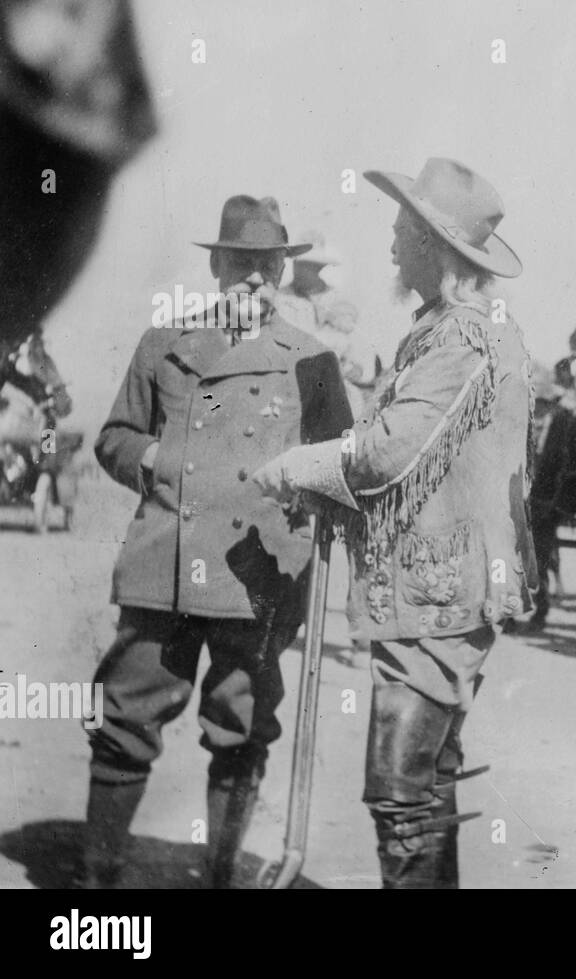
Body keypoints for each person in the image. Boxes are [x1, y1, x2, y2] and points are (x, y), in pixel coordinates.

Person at [253, 157, 536, 889]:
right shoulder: (447, 330)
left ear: (434, 249)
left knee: (401, 798)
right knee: (424, 792)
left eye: (401, 232)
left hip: (436, 602)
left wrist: (297, 468)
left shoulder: (463, 339)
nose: (389, 246)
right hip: (428, 600)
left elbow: (386, 453)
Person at [80, 195, 353, 888]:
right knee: (124, 718)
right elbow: (113, 436)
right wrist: (148, 460)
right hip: (163, 566)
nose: (256, 281)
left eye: (269, 267)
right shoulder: (163, 344)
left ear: (283, 273)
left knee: (241, 728)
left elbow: (341, 462)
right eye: (242, 265)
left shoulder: (313, 358)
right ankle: (97, 879)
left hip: (256, 575)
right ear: (216, 265)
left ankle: (223, 877)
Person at [276, 231, 381, 416]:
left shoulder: (339, 302)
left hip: (338, 389)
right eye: (299, 264)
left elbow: (359, 357)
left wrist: (346, 367)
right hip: (293, 387)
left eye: (309, 266)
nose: (301, 270)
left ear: (319, 267)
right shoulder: (281, 300)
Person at [519, 365, 576, 632]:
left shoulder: (566, 423)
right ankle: (511, 613)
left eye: (541, 403)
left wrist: (558, 503)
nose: (537, 409)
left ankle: (541, 607)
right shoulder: (523, 421)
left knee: (539, 556)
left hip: (548, 502)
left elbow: (573, 466)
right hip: (521, 500)